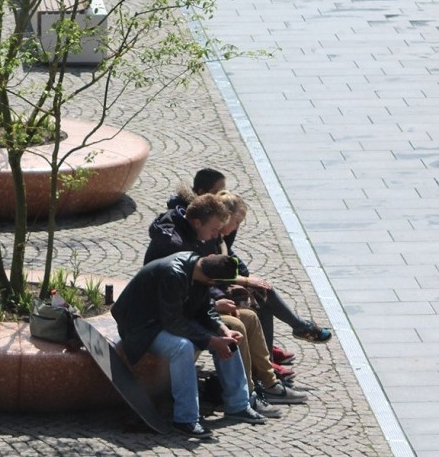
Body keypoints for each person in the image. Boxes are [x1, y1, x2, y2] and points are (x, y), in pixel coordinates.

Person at [144, 194, 306, 409]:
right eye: (214, 230)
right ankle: (244, 396)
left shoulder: (195, 236)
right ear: (197, 222)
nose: (215, 236)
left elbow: (202, 281)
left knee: (249, 317)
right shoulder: (175, 246)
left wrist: (219, 299)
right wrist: (216, 307)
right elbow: (176, 301)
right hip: (167, 316)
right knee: (235, 325)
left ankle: (269, 383)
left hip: (192, 306)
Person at [168, 170, 333, 353]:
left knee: (262, 295)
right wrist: (245, 281)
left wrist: (245, 277)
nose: (236, 227)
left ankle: (270, 354)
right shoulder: (209, 236)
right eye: (236, 222)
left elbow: (231, 261)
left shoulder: (218, 235)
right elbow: (211, 274)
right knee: (261, 297)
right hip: (210, 295)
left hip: (214, 291)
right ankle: (295, 330)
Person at [112, 252, 266, 438]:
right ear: (211, 280)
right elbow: (173, 322)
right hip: (141, 327)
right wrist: (212, 341)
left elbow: (206, 308)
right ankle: (185, 419)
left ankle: (238, 405)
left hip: (165, 321)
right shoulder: (174, 274)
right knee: (182, 347)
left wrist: (224, 330)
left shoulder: (198, 269)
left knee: (228, 341)